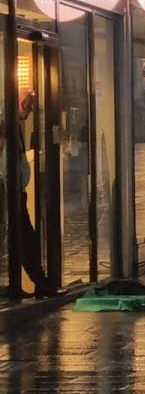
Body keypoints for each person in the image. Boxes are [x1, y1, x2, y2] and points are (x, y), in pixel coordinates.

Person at [12, 92, 54, 298]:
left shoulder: (13, 127)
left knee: (24, 237)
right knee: (24, 237)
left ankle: (37, 280)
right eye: (29, 107)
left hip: (15, 190)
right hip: (8, 190)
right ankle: (39, 280)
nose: (29, 113)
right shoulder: (7, 126)